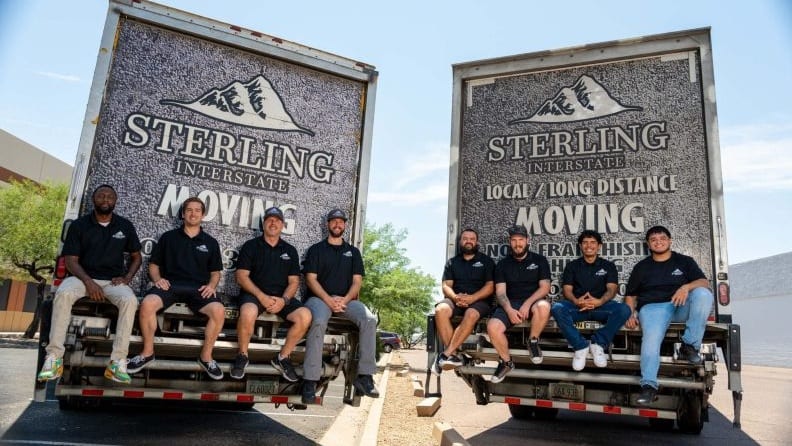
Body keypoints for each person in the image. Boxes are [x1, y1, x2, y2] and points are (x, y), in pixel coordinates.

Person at [38, 184, 141, 384]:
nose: (105, 199)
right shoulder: (80, 225)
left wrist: (127, 278)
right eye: (101, 196)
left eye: (109, 196)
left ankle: (117, 362)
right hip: (81, 278)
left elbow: (137, 257)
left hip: (112, 281)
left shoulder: (124, 226)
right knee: (64, 293)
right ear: (94, 200)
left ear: (115, 201)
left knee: (129, 300)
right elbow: (70, 260)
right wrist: (88, 282)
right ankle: (54, 358)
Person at [126, 197, 225, 380]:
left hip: (198, 289)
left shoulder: (210, 242)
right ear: (182, 213)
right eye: (189, 210)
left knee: (218, 311)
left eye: (197, 210)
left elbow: (215, 272)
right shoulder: (168, 237)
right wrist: (158, 279)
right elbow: (153, 266)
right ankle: (147, 352)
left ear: (202, 215)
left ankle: (206, 357)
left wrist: (211, 286)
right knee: (147, 304)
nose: (193, 213)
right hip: (171, 285)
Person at [624, 225, 714, 406]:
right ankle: (649, 386)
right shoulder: (641, 267)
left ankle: (689, 346)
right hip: (653, 308)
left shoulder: (685, 261)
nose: (658, 242)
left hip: (679, 306)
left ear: (670, 241)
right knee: (651, 338)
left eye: (662, 238)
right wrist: (629, 312)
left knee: (704, 294)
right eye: (654, 240)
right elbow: (631, 295)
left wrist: (686, 287)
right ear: (648, 244)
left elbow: (703, 281)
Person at [301, 208, 379, 404]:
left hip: (346, 301)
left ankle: (365, 377)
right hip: (319, 299)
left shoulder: (353, 252)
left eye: (341, 222)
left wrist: (343, 301)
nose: (337, 224)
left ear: (345, 225)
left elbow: (357, 282)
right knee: (318, 321)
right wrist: (329, 300)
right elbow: (311, 280)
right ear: (328, 224)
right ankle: (310, 381)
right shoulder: (316, 250)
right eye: (334, 221)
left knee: (370, 319)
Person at [230, 206, 312, 382]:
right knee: (247, 312)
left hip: (281, 297)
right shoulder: (250, 246)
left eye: (277, 220)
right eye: (269, 219)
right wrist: (261, 296)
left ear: (282, 225)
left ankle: (282, 358)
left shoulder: (290, 250)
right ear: (264, 223)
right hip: (254, 295)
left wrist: (284, 300)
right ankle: (242, 355)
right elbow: (241, 277)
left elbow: (294, 282)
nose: (273, 223)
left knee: (305, 316)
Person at [551, 230, 632, 371]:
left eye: (593, 242)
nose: (589, 246)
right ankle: (580, 346)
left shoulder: (608, 266)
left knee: (624, 309)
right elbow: (567, 290)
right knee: (557, 307)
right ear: (580, 246)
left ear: (599, 246)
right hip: (578, 307)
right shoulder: (572, 266)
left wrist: (600, 301)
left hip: (601, 307)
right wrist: (576, 301)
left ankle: (598, 343)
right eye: (585, 242)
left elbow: (612, 290)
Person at [487, 225, 551, 383]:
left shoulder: (539, 260)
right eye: (514, 240)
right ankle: (506, 362)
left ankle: (533, 341)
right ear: (510, 242)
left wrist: (528, 304)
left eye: (521, 240)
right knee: (492, 327)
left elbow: (545, 288)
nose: (518, 244)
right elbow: (500, 293)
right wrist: (509, 310)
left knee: (544, 306)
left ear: (527, 241)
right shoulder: (502, 264)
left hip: (533, 302)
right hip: (511, 303)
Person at [431, 228, 495, 375]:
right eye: (465, 238)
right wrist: (455, 298)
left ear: (477, 242)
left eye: (472, 239)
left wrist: (472, 298)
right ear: (460, 241)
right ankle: (454, 355)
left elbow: (490, 287)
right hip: (457, 299)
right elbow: (446, 285)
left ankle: (446, 354)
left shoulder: (486, 261)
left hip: (480, 301)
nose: (469, 241)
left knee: (471, 314)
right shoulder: (452, 263)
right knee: (440, 310)